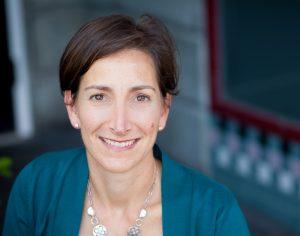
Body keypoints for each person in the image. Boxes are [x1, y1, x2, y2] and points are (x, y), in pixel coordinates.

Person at [3, 14, 250, 236]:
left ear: (164, 109)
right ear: (72, 107)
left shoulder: (214, 212)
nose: (120, 125)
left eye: (140, 97)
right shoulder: (37, 186)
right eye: (99, 97)